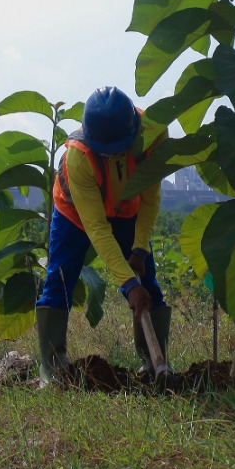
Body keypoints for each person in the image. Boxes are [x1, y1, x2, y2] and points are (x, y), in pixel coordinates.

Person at [36, 86, 170, 385]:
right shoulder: (77, 156)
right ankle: (52, 368)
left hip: (128, 209)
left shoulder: (155, 134)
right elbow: (97, 228)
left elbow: (151, 196)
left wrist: (139, 249)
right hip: (76, 214)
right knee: (58, 281)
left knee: (147, 282)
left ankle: (156, 364)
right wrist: (127, 283)